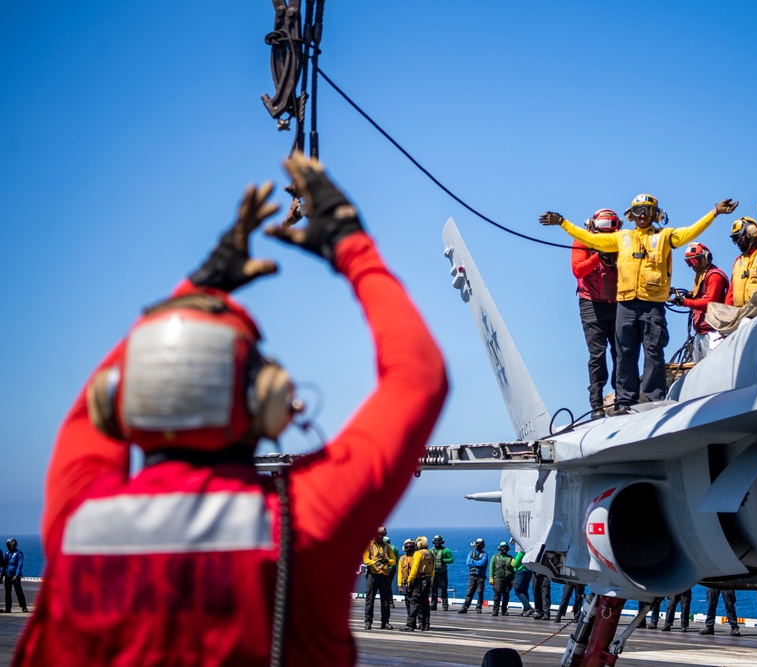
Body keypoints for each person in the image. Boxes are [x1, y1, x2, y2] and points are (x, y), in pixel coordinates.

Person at [13, 154, 448, 667]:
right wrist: (354, 247)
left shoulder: (78, 523)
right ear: (262, 397)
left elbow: (94, 404)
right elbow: (419, 377)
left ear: (123, 398)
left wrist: (195, 290)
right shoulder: (304, 522)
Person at [541, 195, 738, 411]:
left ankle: (654, 399)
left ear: (655, 214)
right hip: (624, 304)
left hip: (652, 304)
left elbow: (690, 232)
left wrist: (714, 212)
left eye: (647, 210)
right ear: (631, 216)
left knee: (653, 351)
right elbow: (588, 240)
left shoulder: (665, 236)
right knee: (625, 352)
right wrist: (562, 223)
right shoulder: (621, 238)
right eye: (638, 211)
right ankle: (625, 401)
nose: (642, 214)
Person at [571, 208, 621, 417]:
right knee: (597, 354)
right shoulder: (582, 241)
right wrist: (598, 257)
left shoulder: (622, 243)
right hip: (591, 303)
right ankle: (597, 405)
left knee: (621, 352)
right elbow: (578, 270)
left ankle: (623, 398)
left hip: (618, 303)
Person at [670, 243, 729, 362]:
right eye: (689, 262)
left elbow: (709, 303)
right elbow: (702, 296)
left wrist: (685, 302)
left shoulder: (715, 276)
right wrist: (689, 296)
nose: (693, 266)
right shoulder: (701, 276)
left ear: (706, 257)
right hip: (701, 334)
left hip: (714, 334)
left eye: (694, 261)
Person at [724, 216, 757, 307]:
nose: (736, 243)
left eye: (737, 238)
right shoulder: (738, 261)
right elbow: (731, 293)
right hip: (741, 316)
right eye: (734, 239)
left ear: (751, 233)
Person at [364, 527, 398, 630]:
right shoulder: (369, 545)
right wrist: (374, 563)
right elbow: (365, 559)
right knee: (370, 599)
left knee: (385, 600)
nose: (380, 536)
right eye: (379, 534)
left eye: (382, 534)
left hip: (384, 575)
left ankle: (385, 622)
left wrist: (387, 561)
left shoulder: (386, 546)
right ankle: (368, 621)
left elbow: (394, 560)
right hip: (372, 575)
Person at [401, 536, 433, 632]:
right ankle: (425, 624)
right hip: (428, 580)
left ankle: (410, 625)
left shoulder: (418, 554)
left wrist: (409, 580)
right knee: (425, 603)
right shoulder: (430, 553)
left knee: (414, 603)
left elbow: (414, 569)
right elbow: (433, 571)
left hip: (419, 581)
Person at [459, 538, 488, 613]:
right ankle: (465, 607)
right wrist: (477, 563)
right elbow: (468, 563)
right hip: (473, 575)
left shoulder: (484, 554)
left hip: (480, 576)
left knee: (480, 592)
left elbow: (482, 563)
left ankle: (479, 607)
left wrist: (473, 561)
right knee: (470, 592)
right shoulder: (471, 553)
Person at [488, 542, 514, 616]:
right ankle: (495, 610)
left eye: (505, 547)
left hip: (508, 579)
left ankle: (504, 610)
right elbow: (491, 567)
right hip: (498, 579)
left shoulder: (510, 558)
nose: (504, 549)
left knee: (506, 595)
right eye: (502, 547)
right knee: (497, 595)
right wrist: (491, 577)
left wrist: (513, 579)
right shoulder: (495, 557)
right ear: (500, 548)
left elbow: (513, 570)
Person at [429, 535, 454, 611]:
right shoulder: (431, 550)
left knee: (443, 589)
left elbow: (451, 560)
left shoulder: (446, 550)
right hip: (433, 573)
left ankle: (445, 605)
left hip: (442, 573)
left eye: (438, 541)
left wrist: (443, 560)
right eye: (436, 541)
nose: (437, 543)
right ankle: (433, 605)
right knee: (433, 589)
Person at [3, 538, 27, 613]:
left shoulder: (18, 553)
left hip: (15, 576)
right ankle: (8, 608)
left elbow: (19, 565)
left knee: (18, 591)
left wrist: (16, 575)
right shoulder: (7, 554)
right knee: (7, 592)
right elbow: (5, 565)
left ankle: (23, 606)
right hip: (7, 575)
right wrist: (2, 576)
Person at [511, 546, 533, 617]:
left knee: (518, 590)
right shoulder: (530, 553)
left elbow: (515, 564)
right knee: (524, 591)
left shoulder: (521, 553)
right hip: (528, 572)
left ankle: (528, 607)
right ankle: (525, 610)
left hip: (521, 572)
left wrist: (512, 562)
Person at [396, 539, 415, 618]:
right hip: (405, 583)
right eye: (407, 547)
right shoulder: (402, 558)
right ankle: (410, 619)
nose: (409, 549)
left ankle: (420, 622)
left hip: (415, 582)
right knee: (408, 602)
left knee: (416, 602)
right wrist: (399, 585)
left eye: (411, 547)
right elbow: (400, 572)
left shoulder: (416, 556)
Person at [384, 536, 400, 607]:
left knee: (386, 585)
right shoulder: (395, 548)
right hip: (393, 568)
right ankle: (389, 602)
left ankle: (389, 602)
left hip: (386, 568)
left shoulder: (385, 548)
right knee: (388, 584)